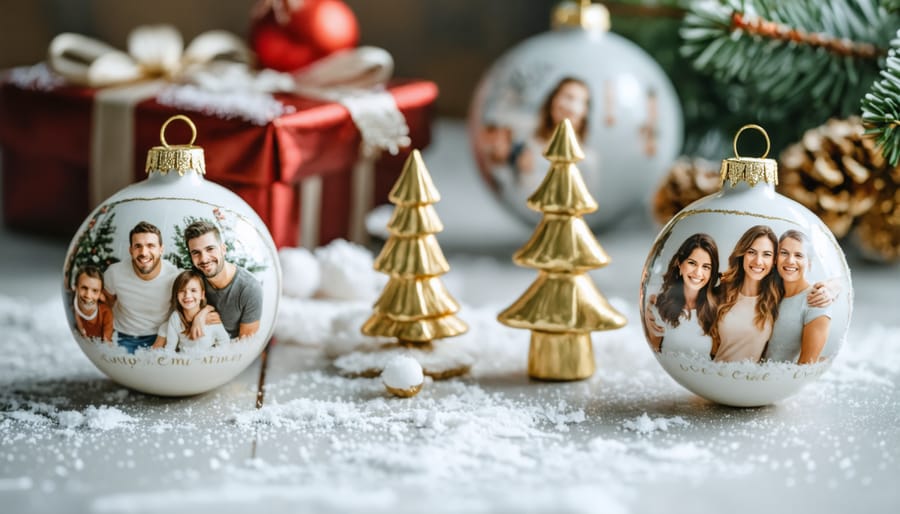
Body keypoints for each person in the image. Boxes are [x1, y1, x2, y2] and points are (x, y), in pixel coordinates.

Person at [103, 221, 178, 354]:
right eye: (138, 246)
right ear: (130, 250)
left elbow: (187, 309)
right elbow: (106, 303)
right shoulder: (114, 273)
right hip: (123, 335)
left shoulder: (174, 277)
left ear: (161, 249)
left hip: (161, 337)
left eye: (151, 246)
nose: (144, 252)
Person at [710, 225, 781, 363]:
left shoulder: (777, 298)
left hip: (752, 381)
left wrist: (832, 287)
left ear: (774, 261)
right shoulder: (720, 291)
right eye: (751, 252)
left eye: (766, 254)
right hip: (715, 376)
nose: (758, 261)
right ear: (742, 254)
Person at [510, 76, 592, 191]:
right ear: (553, 99)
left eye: (580, 102)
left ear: (585, 112)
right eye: (568, 97)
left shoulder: (587, 161)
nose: (571, 107)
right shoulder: (525, 140)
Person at [184, 220, 262, 339]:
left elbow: (246, 345)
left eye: (210, 249)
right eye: (196, 253)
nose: (204, 259)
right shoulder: (194, 279)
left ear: (223, 249)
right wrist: (200, 316)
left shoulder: (249, 288)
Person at [644, 233, 719, 356]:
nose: (698, 273)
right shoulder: (660, 305)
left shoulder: (716, 311)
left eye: (706, 267)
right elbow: (655, 350)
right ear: (679, 263)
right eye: (692, 263)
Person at [765, 230, 832, 364]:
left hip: (781, 381)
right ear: (775, 259)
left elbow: (806, 365)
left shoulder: (816, 300)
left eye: (799, 255)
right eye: (784, 253)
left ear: (810, 262)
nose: (790, 260)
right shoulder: (772, 293)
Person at [152, 270, 230, 352]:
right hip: (184, 361)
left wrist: (213, 357)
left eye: (193, 290)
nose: (187, 295)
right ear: (176, 295)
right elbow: (170, 348)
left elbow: (225, 342)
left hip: (206, 362)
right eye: (182, 291)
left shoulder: (211, 318)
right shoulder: (176, 318)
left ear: (202, 295)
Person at [72, 265, 113, 343]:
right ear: (76, 287)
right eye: (84, 288)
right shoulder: (72, 307)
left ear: (100, 294)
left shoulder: (106, 313)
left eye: (95, 291)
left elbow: (107, 343)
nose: (88, 295)